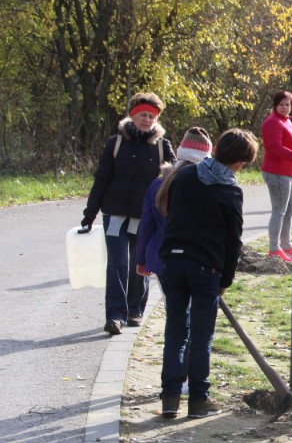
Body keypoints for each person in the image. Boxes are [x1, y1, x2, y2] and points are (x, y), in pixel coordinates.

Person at [157, 128, 258, 419]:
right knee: (202, 336)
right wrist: (225, 280)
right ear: (238, 162)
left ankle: (170, 398)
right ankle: (198, 399)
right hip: (205, 268)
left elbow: (170, 214)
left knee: (175, 331)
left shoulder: (184, 176)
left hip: (172, 261)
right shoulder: (230, 190)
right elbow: (233, 242)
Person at [81, 92, 176, 336]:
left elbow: (174, 182)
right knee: (117, 264)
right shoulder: (115, 143)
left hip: (146, 217)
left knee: (139, 263)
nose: (147, 120)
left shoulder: (162, 146)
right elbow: (102, 179)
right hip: (114, 213)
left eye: (152, 116)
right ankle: (115, 316)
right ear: (132, 116)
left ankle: (135, 310)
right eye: (143, 115)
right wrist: (89, 215)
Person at [136, 127, 213, 397]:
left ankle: (175, 379)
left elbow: (146, 225)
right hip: (196, 261)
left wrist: (141, 258)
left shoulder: (160, 183)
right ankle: (187, 377)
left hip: (163, 260)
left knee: (176, 320)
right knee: (194, 321)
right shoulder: (203, 184)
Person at [261, 90, 292, 261]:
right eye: (281, 104)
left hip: (287, 172)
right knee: (279, 211)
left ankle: (286, 245)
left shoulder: (286, 120)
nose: (285, 107)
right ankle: (274, 248)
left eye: (288, 104)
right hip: (276, 172)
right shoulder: (273, 122)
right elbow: (275, 147)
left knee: (290, 210)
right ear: (275, 105)